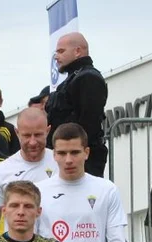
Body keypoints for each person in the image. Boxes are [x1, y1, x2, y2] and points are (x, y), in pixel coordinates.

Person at [38, 123, 127, 242]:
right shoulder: (39, 192)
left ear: (86, 152)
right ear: (54, 155)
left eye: (75, 152)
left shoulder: (106, 189)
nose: (68, 160)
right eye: (61, 153)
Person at [0, 108, 58, 239]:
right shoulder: (1, 171)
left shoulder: (62, 164)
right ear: (17, 133)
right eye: (27, 135)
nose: (32, 142)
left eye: (38, 135)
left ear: (48, 131)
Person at [46, 32, 108, 177]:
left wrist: (74, 153)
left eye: (61, 51)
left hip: (82, 163)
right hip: (67, 159)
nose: (56, 57)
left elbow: (88, 124)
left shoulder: (88, 78)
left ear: (78, 51)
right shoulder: (74, 78)